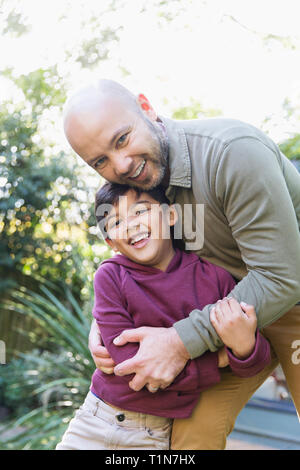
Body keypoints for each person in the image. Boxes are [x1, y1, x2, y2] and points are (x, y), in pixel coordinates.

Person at [63, 79, 300, 449]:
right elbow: (142, 255)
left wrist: (179, 341)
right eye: (100, 161)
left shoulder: (232, 153)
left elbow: (282, 277)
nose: (121, 165)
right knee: (190, 437)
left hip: (290, 299)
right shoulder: (146, 181)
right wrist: (107, 319)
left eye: (122, 139)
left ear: (146, 106)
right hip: (224, 314)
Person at [56, 182, 271, 450]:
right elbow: (132, 366)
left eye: (140, 211)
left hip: (156, 433)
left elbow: (255, 361)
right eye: (117, 221)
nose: (131, 225)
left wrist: (243, 346)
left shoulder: (215, 279)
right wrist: (217, 360)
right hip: (97, 419)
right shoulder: (110, 276)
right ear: (110, 241)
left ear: (170, 215)